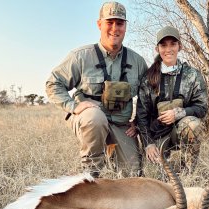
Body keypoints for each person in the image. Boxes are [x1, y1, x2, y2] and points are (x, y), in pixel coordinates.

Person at [46, 2, 148, 177]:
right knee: (95, 118)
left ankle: (111, 153)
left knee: (133, 174)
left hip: (121, 124)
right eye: (109, 22)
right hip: (91, 120)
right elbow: (53, 83)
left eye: (120, 23)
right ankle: (90, 172)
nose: (114, 28)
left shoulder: (137, 61)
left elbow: (148, 97)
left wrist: (137, 122)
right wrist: (73, 106)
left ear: (125, 26)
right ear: (99, 24)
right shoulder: (80, 56)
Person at [136, 26, 208, 173]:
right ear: (157, 49)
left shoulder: (193, 75)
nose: (168, 49)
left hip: (180, 131)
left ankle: (189, 171)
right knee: (154, 174)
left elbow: (202, 108)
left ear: (179, 46)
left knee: (193, 125)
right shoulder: (148, 78)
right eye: (163, 45)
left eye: (173, 44)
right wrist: (149, 144)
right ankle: (161, 157)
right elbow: (141, 115)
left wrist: (179, 113)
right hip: (157, 135)